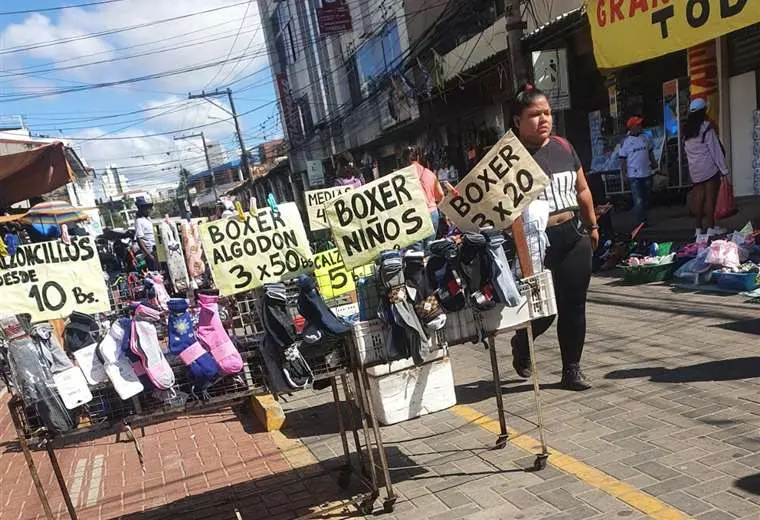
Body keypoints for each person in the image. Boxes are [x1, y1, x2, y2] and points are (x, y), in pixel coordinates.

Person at [509, 83, 599, 391]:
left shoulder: (563, 146)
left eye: (547, 113)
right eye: (534, 115)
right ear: (517, 121)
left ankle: (571, 370)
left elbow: (582, 189)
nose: (543, 119)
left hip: (574, 235)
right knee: (543, 310)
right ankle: (523, 342)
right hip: (536, 245)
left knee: (573, 305)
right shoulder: (508, 158)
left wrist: (593, 225)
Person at [683, 98, 729, 237]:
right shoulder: (706, 127)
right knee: (710, 199)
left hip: (695, 169)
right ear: (704, 111)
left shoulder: (686, 131)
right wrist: (724, 169)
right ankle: (711, 228)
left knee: (699, 199)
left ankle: (698, 230)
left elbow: (687, 151)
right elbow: (715, 150)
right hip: (709, 168)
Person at [404, 147, 444, 249]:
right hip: (433, 214)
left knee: (416, 252)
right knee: (429, 249)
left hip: (414, 215)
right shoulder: (430, 174)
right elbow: (441, 196)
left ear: (405, 160)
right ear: (418, 157)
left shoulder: (403, 177)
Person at [619, 116, 655, 227]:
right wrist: (624, 174)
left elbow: (650, 152)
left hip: (646, 173)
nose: (640, 126)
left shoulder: (646, 137)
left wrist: (654, 162)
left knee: (646, 199)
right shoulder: (626, 142)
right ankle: (641, 222)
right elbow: (622, 159)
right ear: (632, 127)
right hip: (634, 175)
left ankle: (642, 217)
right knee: (638, 200)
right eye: (638, 125)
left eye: (640, 124)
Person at [134, 197, 158, 271]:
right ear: (141, 209)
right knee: (155, 273)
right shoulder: (139, 221)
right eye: (147, 208)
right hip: (150, 252)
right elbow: (139, 239)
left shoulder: (148, 219)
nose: (149, 210)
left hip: (156, 250)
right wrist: (149, 255)